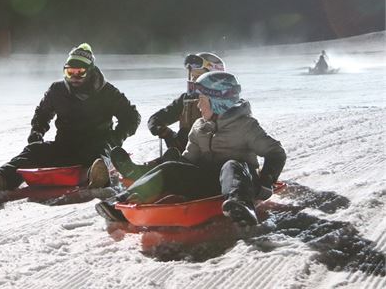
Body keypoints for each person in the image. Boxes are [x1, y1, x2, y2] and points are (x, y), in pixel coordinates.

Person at [96, 71, 286, 225]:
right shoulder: (199, 126)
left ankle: (241, 206)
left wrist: (266, 181)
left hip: (241, 183)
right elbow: (188, 160)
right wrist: (169, 172)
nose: (198, 104)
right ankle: (121, 203)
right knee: (171, 167)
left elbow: (276, 153)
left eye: (202, 99)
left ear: (218, 102)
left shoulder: (246, 126)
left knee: (232, 165)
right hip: (211, 183)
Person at [0, 43, 141, 191]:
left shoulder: (107, 92)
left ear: (90, 72)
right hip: (66, 143)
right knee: (34, 151)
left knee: (100, 153)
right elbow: (43, 113)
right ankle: (2, 179)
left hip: (96, 143)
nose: (74, 77)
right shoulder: (57, 90)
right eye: (70, 72)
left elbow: (132, 117)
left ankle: (98, 175)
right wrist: (37, 132)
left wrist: (115, 137)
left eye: (80, 72)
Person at [110, 52, 225, 181]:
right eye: (193, 76)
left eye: (198, 77)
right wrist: (163, 130)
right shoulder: (186, 99)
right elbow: (157, 118)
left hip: (209, 157)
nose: (194, 81)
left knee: (174, 160)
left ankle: (149, 176)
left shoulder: (224, 102)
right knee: (172, 156)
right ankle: (139, 173)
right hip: (184, 150)